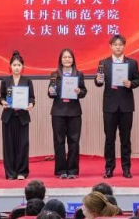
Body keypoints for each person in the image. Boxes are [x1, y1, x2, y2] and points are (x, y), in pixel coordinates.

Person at [95, 34, 139, 179]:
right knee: (109, 139)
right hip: (109, 106)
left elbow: (138, 79)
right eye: (115, 45)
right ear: (110, 46)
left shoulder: (132, 63)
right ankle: (109, 168)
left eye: (120, 45)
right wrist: (98, 80)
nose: (118, 47)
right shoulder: (104, 63)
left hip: (126, 106)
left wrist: (131, 83)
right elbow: (98, 83)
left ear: (124, 46)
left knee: (125, 139)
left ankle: (126, 168)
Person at [48, 48, 87, 179]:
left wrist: (79, 91)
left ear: (73, 59)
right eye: (64, 57)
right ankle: (61, 170)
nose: (67, 59)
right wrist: (51, 91)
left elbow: (84, 92)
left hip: (74, 112)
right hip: (58, 112)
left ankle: (72, 170)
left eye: (69, 57)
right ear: (60, 60)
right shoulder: (54, 74)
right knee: (59, 142)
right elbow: (50, 94)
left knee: (74, 142)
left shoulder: (79, 74)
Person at [0, 51, 35, 180]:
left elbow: (32, 97)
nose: (16, 67)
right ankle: (10, 173)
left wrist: (31, 104)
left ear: (22, 67)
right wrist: (3, 102)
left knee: (23, 145)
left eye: (19, 65)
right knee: (8, 146)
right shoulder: (5, 80)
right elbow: (2, 97)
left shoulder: (27, 81)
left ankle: (21, 172)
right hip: (8, 117)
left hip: (22, 117)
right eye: (14, 65)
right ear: (10, 66)